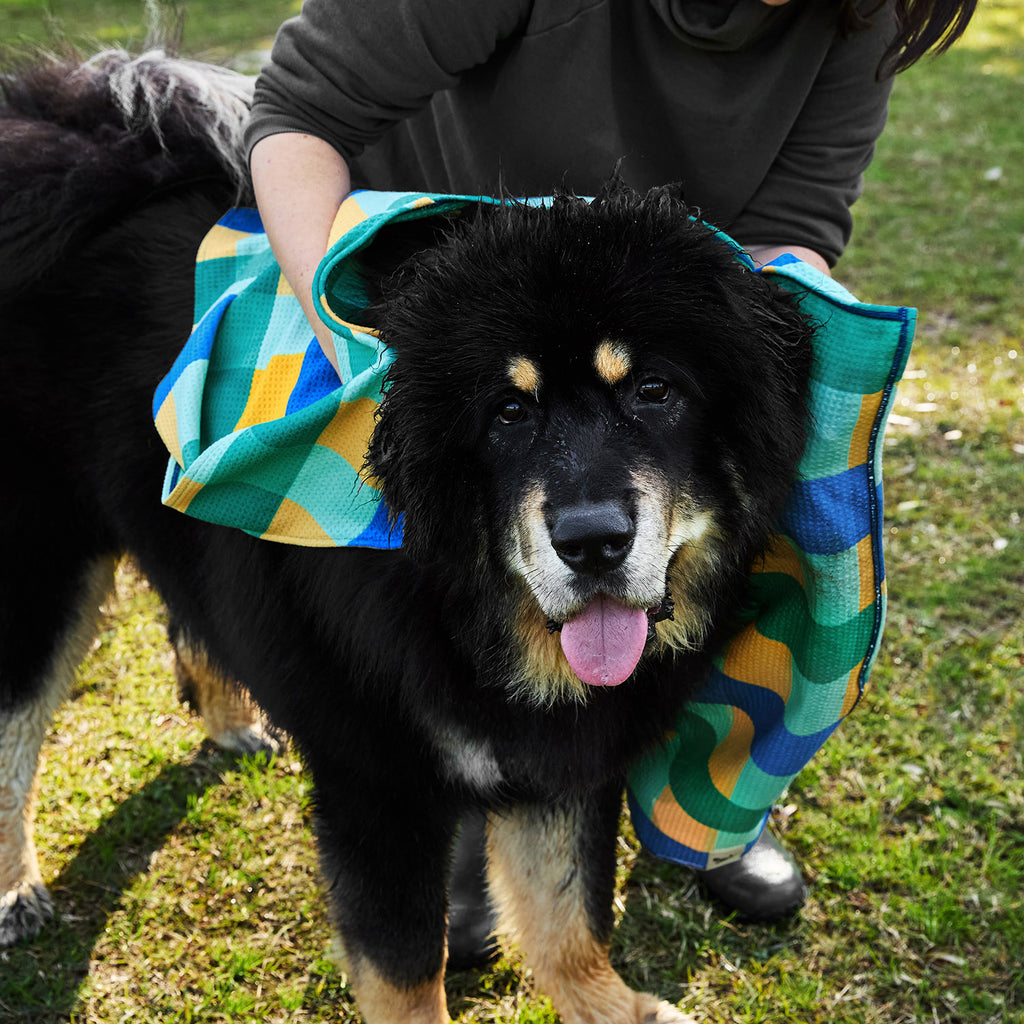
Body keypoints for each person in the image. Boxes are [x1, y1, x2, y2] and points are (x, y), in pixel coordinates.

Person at [244, 0, 977, 964]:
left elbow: (792, 229)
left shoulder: (858, 16)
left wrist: (732, 340)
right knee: (445, 584)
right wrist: (358, 340)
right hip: (446, 324)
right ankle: (468, 783)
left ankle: (706, 778)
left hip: (657, 333)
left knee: (748, 523)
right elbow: (299, 111)